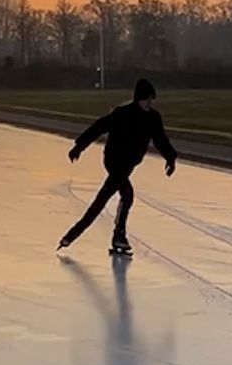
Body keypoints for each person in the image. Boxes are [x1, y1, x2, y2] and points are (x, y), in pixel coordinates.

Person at [59, 79, 177, 255]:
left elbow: (160, 139)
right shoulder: (123, 113)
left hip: (129, 163)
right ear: (138, 98)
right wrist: (79, 146)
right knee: (116, 197)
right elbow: (99, 127)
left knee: (121, 196)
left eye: (151, 99)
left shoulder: (153, 118)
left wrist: (170, 158)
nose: (149, 103)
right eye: (147, 99)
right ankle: (113, 236)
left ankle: (91, 236)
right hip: (114, 160)